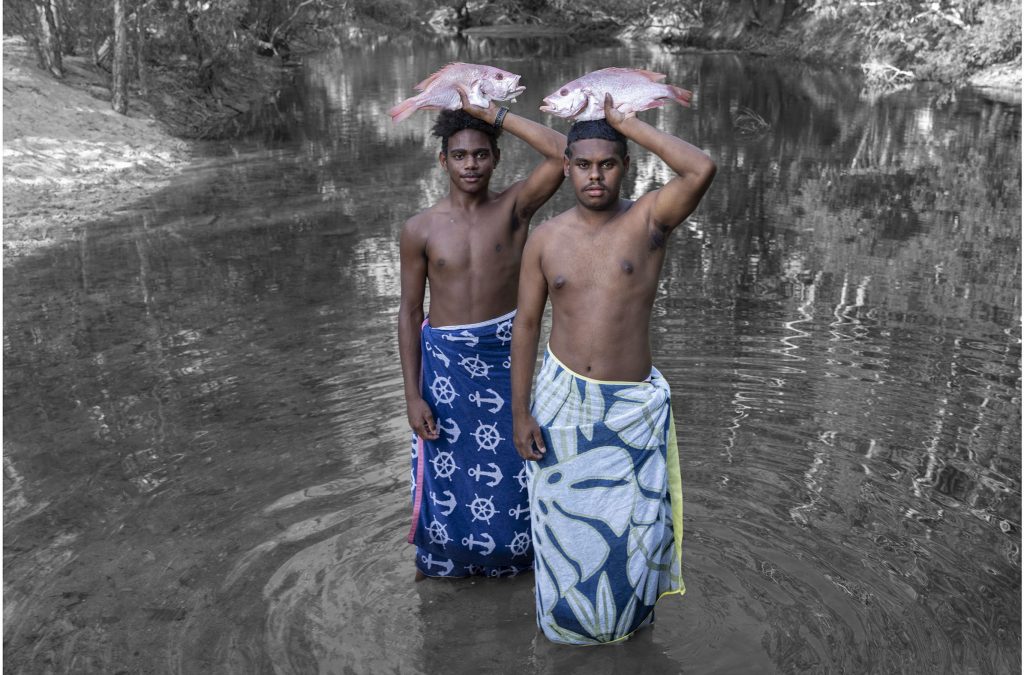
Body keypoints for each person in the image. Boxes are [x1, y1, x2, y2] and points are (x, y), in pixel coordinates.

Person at [510, 94, 716, 644]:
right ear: (567, 167)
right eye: (582, 165)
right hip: (560, 405)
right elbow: (526, 325)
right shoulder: (545, 238)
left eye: (607, 163)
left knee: (635, 538)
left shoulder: (650, 218)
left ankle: (631, 638)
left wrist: (628, 124)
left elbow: (701, 167)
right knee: (559, 537)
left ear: (625, 166)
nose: (594, 176)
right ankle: (564, 639)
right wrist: (519, 412)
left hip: (630, 411)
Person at [399, 88, 567, 581]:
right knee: (447, 472)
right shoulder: (420, 229)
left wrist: (492, 113)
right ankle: (446, 563)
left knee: (517, 469)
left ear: (495, 158)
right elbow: (410, 313)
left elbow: (563, 152)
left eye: (480, 154)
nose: (470, 165)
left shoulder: (514, 208)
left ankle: (518, 565)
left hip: (504, 362)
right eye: (459, 155)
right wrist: (412, 396)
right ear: (442, 160)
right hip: (445, 374)